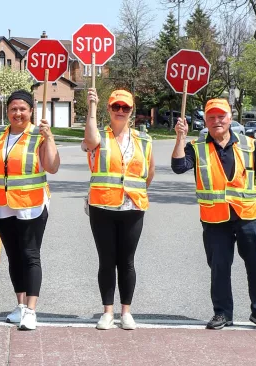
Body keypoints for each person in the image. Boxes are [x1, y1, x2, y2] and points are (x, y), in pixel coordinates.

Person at [171, 99, 256, 332]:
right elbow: (179, 166)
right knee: (219, 267)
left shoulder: (249, 145)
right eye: (211, 117)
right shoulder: (197, 147)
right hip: (214, 219)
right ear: (206, 121)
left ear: (230, 118)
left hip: (248, 216)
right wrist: (180, 137)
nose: (216, 121)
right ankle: (222, 313)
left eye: (221, 116)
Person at [0, 90, 60, 330]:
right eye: (13, 109)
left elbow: (52, 166)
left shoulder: (39, 134)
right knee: (13, 256)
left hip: (32, 203)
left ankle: (31, 310)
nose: (18, 113)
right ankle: (19, 306)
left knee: (30, 255)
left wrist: (49, 138)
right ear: (7, 111)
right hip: (3, 204)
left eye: (22, 109)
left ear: (31, 112)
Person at [82, 89, 155, 331]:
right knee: (107, 260)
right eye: (116, 107)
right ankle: (107, 312)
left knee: (127, 261)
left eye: (126, 108)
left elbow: (149, 173)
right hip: (102, 206)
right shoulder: (99, 136)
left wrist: (135, 192)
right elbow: (90, 142)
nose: (121, 111)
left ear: (132, 111)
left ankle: (126, 312)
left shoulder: (144, 140)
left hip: (132, 207)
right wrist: (91, 107)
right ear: (109, 109)